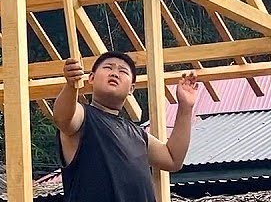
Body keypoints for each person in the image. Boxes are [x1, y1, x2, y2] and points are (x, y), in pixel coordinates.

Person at [51, 51, 199, 202]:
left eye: (122, 71)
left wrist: (185, 107)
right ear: (91, 78)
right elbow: (62, 119)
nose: (115, 73)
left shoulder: (137, 133)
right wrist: (71, 85)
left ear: (131, 89)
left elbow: (173, 159)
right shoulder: (84, 116)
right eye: (108, 68)